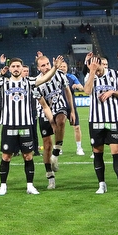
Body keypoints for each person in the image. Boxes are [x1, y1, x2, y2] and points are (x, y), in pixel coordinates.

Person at [0, 55, 63, 195]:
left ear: (22, 68)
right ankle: (3, 186)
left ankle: (30, 186)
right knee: (6, 156)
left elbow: (45, 78)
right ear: (10, 69)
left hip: (25, 125)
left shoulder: (29, 81)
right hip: (9, 125)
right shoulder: (4, 82)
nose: (16, 69)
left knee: (28, 156)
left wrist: (55, 68)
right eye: (13, 66)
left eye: (18, 66)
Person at [82, 53, 118, 195]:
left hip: (112, 119)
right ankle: (101, 184)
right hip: (95, 121)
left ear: (102, 64)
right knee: (97, 153)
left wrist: (112, 91)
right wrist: (91, 72)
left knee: (117, 151)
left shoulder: (115, 75)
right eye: (92, 65)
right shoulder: (90, 76)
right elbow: (86, 91)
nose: (95, 67)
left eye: (97, 65)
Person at [33, 53, 77, 189]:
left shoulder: (59, 74)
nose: (46, 67)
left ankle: (56, 153)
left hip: (59, 106)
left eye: (47, 64)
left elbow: (67, 91)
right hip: (44, 111)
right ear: (39, 68)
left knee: (61, 121)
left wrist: (72, 110)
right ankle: (50, 177)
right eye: (43, 65)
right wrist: (51, 121)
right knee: (46, 145)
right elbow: (44, 106)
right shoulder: (36, 83)